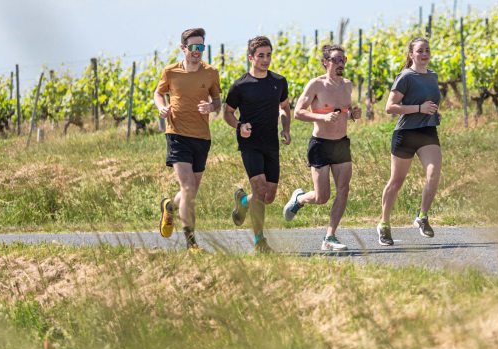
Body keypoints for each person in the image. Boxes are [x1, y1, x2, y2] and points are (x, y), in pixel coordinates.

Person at [282, 44, 362, 251]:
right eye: (336, 59)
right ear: (325, 62)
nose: (340, 63)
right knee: (321, 197)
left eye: (343, 59)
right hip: (320, 145)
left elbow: (343, 112)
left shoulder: (347, 85)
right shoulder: (315, 85)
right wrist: (322, 116)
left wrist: (352, 115)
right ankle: (299, 198)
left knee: (343, 190)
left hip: (342, 144)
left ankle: (330, 236)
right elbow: (298, 112)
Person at [154, 28, 222, 253]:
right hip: (177, 135)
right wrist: (162, 108)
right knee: (188, 188)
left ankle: (169, 206)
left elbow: (217, 102)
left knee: (189, 193)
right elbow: (158, 93)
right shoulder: (170, 71)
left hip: (201, 138)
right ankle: (191, 245)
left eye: (201, 47)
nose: (197, 51)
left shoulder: (211, 72)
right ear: (183, 48)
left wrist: (210, 107)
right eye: (193, 47)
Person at [223, 36, 291, 253]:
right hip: (250, 143)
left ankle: (242, 201)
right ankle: (259, 241)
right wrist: (239, 126)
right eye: (261, 55)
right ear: (251, 57)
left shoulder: (279, 81)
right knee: (259, 188)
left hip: (271, 143)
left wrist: (286, 128)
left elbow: (284, 106)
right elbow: (228, 113)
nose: (265, 59)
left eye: (269, 55)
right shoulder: (240, 86)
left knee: (268, 196)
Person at [377, 37, 441, 246]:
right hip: (406, 133)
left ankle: (422, 217)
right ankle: (384, 224)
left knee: (433, 174)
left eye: (427, 50)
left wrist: (433, 114)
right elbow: (390, 107)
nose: (424, 54)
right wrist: (419, 109)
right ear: (411, 55)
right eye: (420, 51)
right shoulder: (405, 76)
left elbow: (431, 102)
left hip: (428, 132)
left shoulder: (433, 76)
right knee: (396, 182)